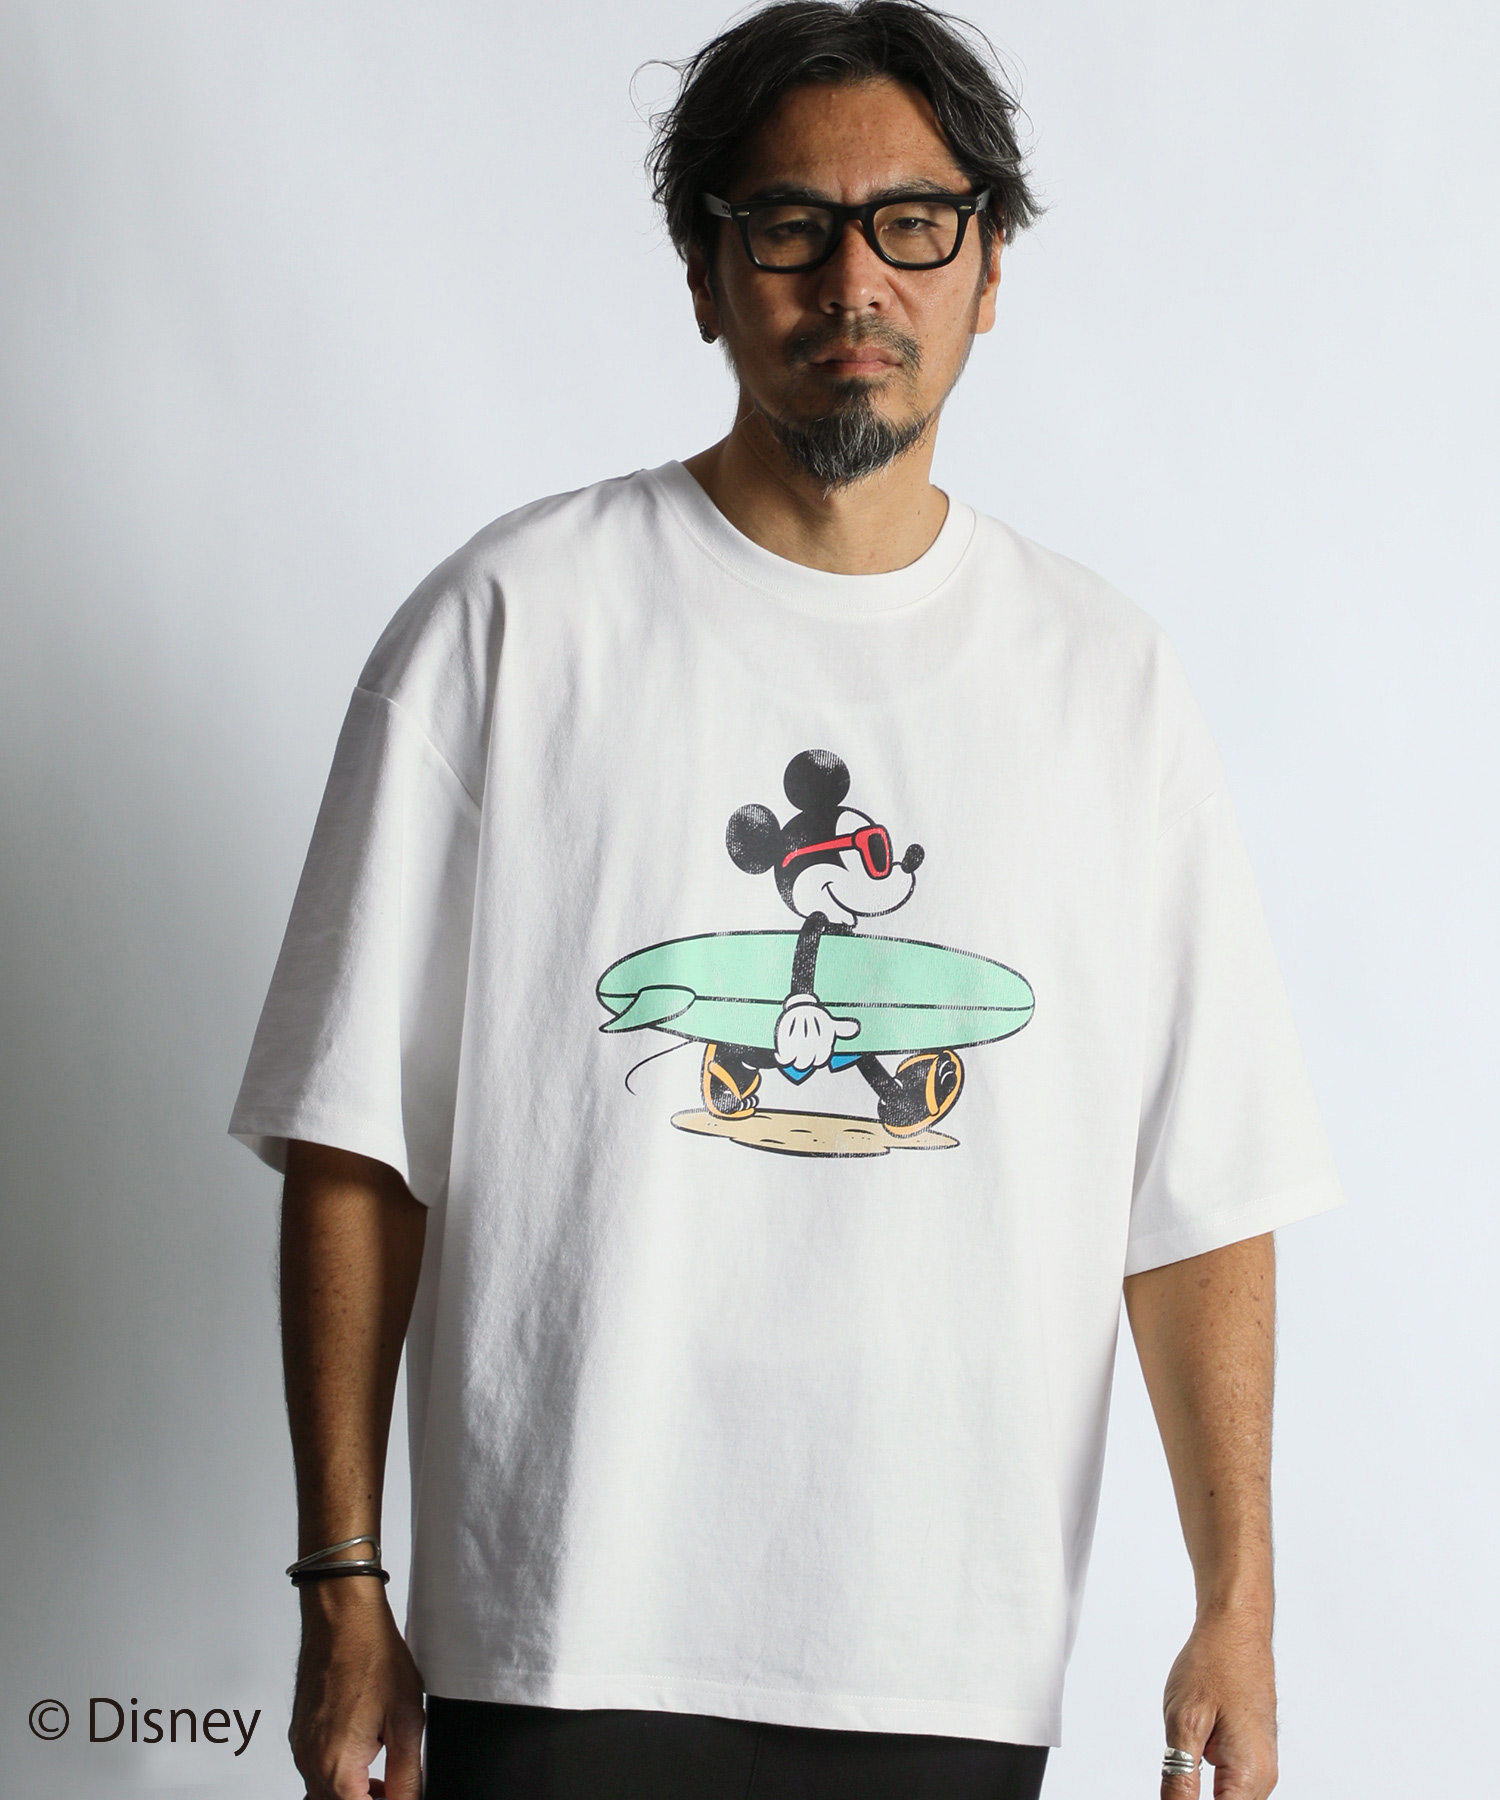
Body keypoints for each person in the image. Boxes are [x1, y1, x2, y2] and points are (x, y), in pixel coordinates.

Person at [229, 4, 1343, 1797]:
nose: (855, 281)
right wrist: (342, 1581)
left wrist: (1241, 1606)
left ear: (990, 270)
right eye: (789, 227)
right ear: (704, 271)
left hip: (951, 1656)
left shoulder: (1107, 683)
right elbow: (355, 1144)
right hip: (561, 1629)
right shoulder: (508, 629)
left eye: (914, 223)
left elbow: (1201, 1192)